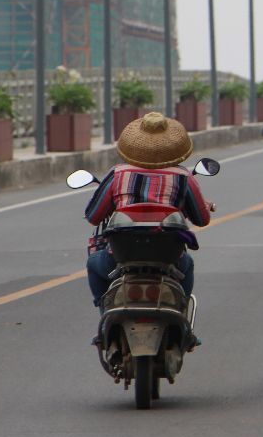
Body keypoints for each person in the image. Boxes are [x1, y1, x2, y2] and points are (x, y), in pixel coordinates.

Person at [83, 112, 212, 324]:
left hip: (120, 258)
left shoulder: (118, 174)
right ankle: (182, 318)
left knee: (93, 264)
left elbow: (93, 216)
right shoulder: (183, 177)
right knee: (187, 264)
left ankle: (105, 317)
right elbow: (201, 219)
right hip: (169, 259)